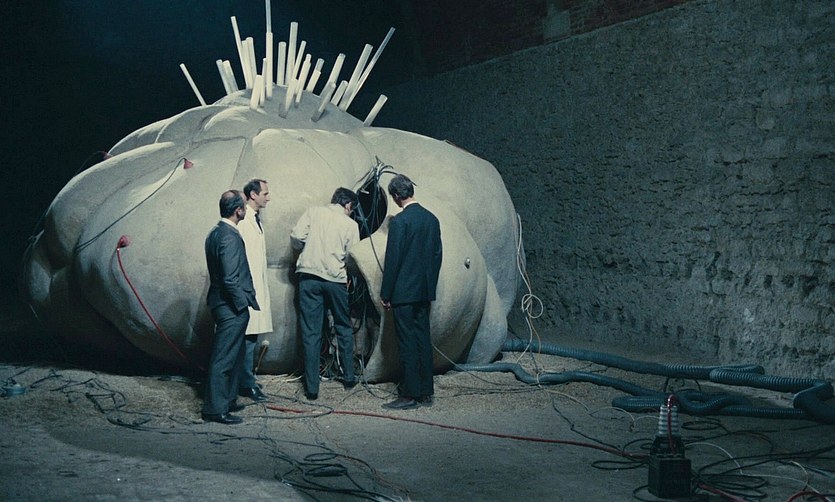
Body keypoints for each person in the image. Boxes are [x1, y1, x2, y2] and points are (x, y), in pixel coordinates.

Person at [380, 174, 443, 410]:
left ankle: (409, 395)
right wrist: (429, 287)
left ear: (397, 196)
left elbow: (393, 260)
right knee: (423, 340)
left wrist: (386, 293)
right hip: (424, 292)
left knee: (406, 343)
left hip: (403, 293)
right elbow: (437, 256)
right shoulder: (432, 219)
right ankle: (426, 392)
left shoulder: (400, 222)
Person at [290, 188, 360, 400]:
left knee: (311, 332)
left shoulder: (313, 212)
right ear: (348, 205)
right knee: (343, 327)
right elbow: (353, 256)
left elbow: (296, 236)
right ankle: (349, 377)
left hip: (309, 277)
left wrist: (307, 249)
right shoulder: (351, 224)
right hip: (335, 280)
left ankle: (312, 389)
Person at [202, 190, 260, 424]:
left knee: (235, 355)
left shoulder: (215, 233)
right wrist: (241, 304)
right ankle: (215, 409)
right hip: (230, 307)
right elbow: (229, 279)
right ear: (238, 211)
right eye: (244, 205)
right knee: (224, 358)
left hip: (222, 303)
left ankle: (227, 400)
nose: (246, 208)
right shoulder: (230, 237)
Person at [237, 178, 273, 403]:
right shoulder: (243, 222)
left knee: (251, 337)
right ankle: (246, 383)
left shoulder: (255, 220)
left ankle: (246, 380)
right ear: (253, 195)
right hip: (247, 289)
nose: (269, 197)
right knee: (247, 339)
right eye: (265, 193)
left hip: (255, 287)